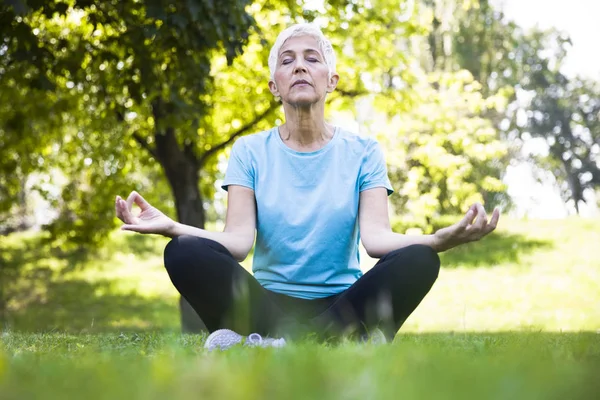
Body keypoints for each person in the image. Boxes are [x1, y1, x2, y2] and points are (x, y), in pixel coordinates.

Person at [115, 23, 499, 347]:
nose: (299, 66)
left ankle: (274, 344)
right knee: (182, 252)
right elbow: (236, 243)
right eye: (287, 61)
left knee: (420, 259)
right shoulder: (249, 151)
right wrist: (171, 227)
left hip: (343, 305)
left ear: (331, 81)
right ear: (274, 86)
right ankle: (334, 344)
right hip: (267, 305)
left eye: (311, 59)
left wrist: (438, 239)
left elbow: (377, 241)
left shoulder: (363, 151)